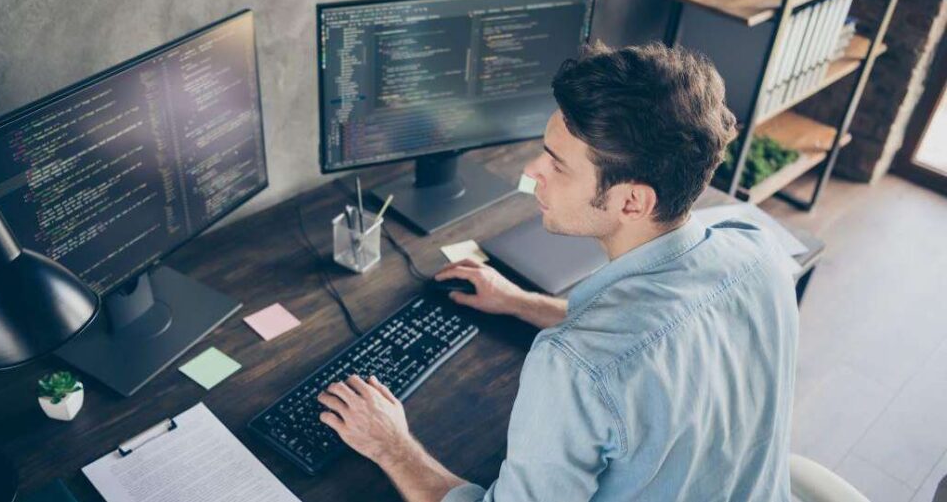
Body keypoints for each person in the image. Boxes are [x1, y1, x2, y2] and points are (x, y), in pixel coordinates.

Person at [316, 42, 799, 501]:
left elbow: (611, 357)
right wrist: (520, 303)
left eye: (557, 164)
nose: (532, 171)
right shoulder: (759, 251)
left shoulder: (571, 367)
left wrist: (390, 445)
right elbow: (657, 339)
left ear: (632, 200)